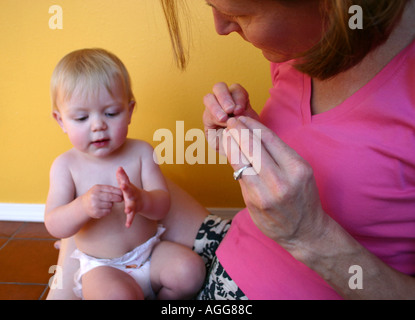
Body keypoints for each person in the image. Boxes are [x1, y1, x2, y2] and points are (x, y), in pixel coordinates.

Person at [48, 0, 415, 300]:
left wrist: (310, 235)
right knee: (110, 166)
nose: (220, 27)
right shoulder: (298, 50)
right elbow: (319, 145)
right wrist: (247, 133)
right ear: (59, 120)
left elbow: (158, 204)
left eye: (242, 14)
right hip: (232, 241)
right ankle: (73, 270)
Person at [45, 48, 205, 300]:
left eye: (111, 113)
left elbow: (162, 205)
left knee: (191, 271)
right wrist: (83, 207)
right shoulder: (66, 165)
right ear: (61, 120)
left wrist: (142, 200)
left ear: (129, 111)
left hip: (149, 254)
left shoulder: (141, 152)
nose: (98, 125)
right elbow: (54, 223)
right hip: (103, 267)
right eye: (81, 117)